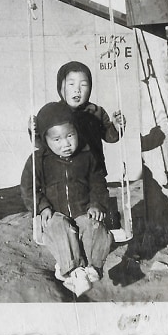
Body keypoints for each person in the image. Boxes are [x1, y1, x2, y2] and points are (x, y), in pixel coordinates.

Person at [21, 102, 114, 296]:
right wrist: (43, 207)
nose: (65, 144)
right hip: (56, 213)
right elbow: (29, 188)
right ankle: (72, 270)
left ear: (77, 132)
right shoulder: (39, 160)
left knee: (96, 227)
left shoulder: (87, 157)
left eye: (70, 136)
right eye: (57, 139)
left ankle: (92, 269)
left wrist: (96, 204)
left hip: (82, 211)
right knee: (58, 227)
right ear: (45, 139)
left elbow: (98, 183)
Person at [30, 61, 125, 175]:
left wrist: (115, 127)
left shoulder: (96, 112)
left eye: (83, 85)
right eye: (71, 84)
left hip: (93, 171)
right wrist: (34, 131)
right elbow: (42, 144)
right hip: (64, 174)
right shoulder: (52, 114)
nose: (77, 89)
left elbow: (109, 137)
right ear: (60, 87)